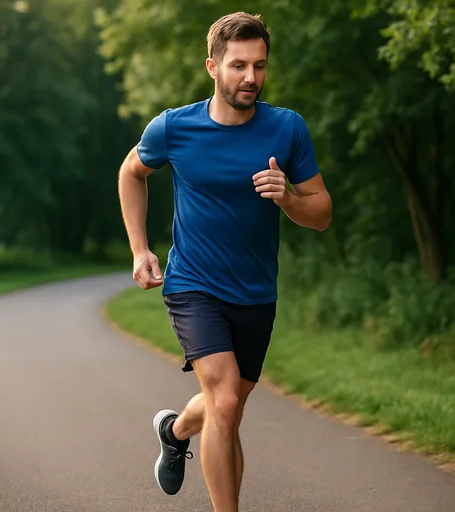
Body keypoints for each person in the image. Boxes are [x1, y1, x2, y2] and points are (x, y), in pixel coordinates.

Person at [117, 11, 332, 512]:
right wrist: (140, 248)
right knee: (228, 404)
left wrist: (288, 200)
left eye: (259, 65)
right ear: (212, 66)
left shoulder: (287, 129)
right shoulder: (174, 127)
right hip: (193, 284)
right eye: (239, 66)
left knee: (224, 409)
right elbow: (132, 173)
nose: (251, 78)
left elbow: (320, 214)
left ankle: (174, 430)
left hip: (256, 291)